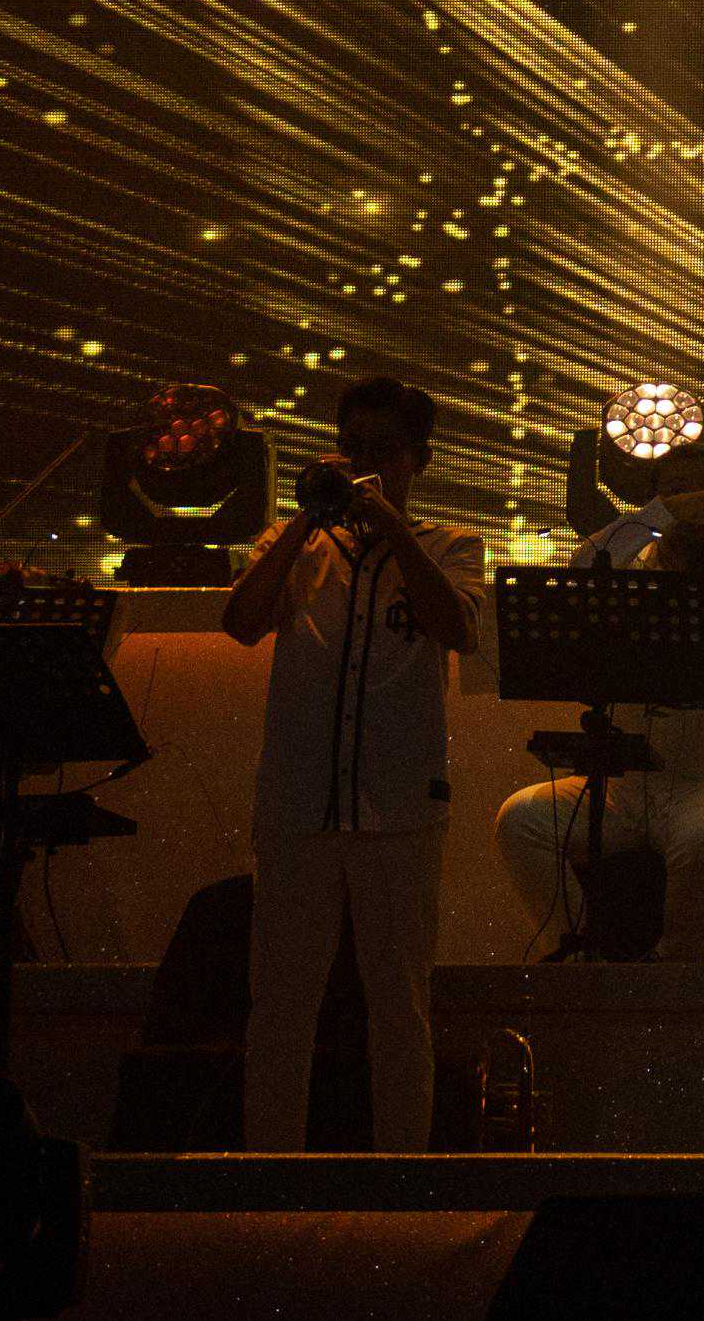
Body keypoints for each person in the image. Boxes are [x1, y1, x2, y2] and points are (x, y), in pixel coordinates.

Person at [224, 375, 479, 1152]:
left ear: (418, 459)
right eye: (352, 448)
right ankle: (269, 1176)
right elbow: (240, 622)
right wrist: (307, 519)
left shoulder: (450, 544)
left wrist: (390, 523)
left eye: (383, 451)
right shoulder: (296, 542)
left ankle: (400, 1178)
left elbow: (457, 628)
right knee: (280, 1004)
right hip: (298, 801)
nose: (364, 464)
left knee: (399, 1004)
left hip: (399, 807)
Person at [491, 431, 704, 959]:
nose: (695, 504)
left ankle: (672, 961)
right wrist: (665, 512)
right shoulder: (632, 562)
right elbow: (582, 566)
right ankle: (574, 945)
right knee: (521, 819)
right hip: (626, 788)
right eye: (678, 492)